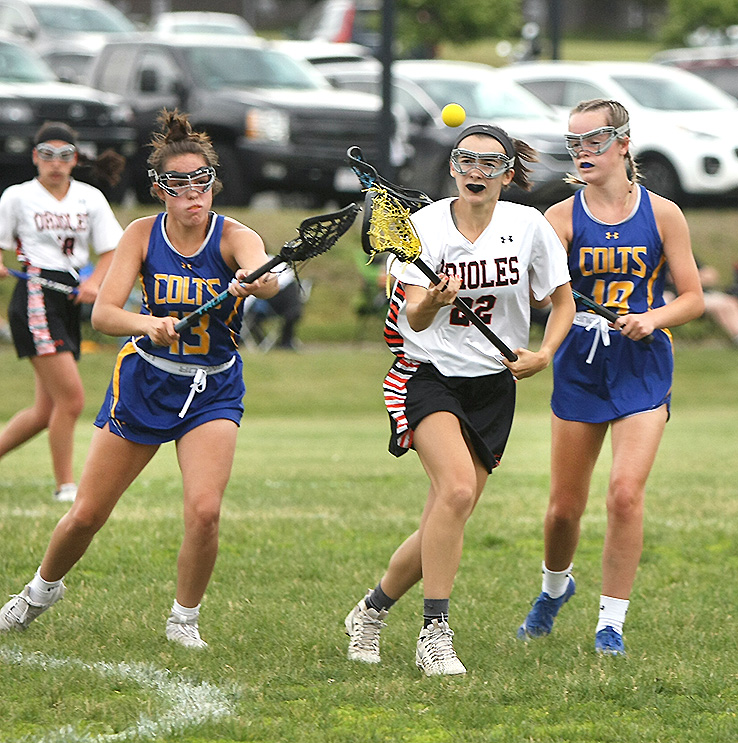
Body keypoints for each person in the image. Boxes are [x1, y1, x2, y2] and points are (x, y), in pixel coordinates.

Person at [0, 110, 279, 649]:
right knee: (86, 515)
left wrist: (257, 280)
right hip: (145, 384)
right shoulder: (141, 235)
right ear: (159, 189)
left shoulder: (235, 236)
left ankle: (184, 620)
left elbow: (266, 273)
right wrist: (149, 324)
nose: (193, 193)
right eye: (180, 183)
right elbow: (104, 315)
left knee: (205, 511)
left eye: (202, 181)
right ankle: (38, 592)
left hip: (213, 389)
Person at [344, 123, 576, 676]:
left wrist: (544, 354)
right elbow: (413, 314)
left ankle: (370, 611)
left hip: (492, 386)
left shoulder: (528, 226)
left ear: (507, 175)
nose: (477, 171)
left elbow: (562, 302)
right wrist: (435, 300)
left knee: (447, 515)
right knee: (456, 490)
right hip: (427, 375)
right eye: (467, 160)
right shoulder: (423, 227)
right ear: (452, 167)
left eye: (490, 163)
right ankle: (435, 633)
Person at [516, 99, 704, 656]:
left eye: (594, 140)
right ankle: (555, 589)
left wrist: (654, 318)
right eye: (574, 142)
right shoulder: (559, 218)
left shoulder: (664, 214)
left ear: (623, 143)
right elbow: (540, 296)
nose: (583, 151)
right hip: (580, 364)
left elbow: (693, 298)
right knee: (563, 510)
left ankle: (611, 625)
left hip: (642, 365)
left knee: (624, 494)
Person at [0, 122, 125, 503]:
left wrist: (94, 283)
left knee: (46, 410)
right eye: (47, 155)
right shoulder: (17, 197)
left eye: (64, 155)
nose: (55, 163)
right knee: (71, 400)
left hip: (69, 296)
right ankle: (66, 487)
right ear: (35, 157)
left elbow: (113, 250)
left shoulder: (90, 198)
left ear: (75, 159)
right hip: (36, 295)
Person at [665, 262, 738, 349]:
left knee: (731, 302)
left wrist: (692, 278)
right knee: (719, 307)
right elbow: (673, 278)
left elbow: (710, 275)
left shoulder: (686, 253)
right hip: (681, 295)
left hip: (699, 292)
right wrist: (697, 277)